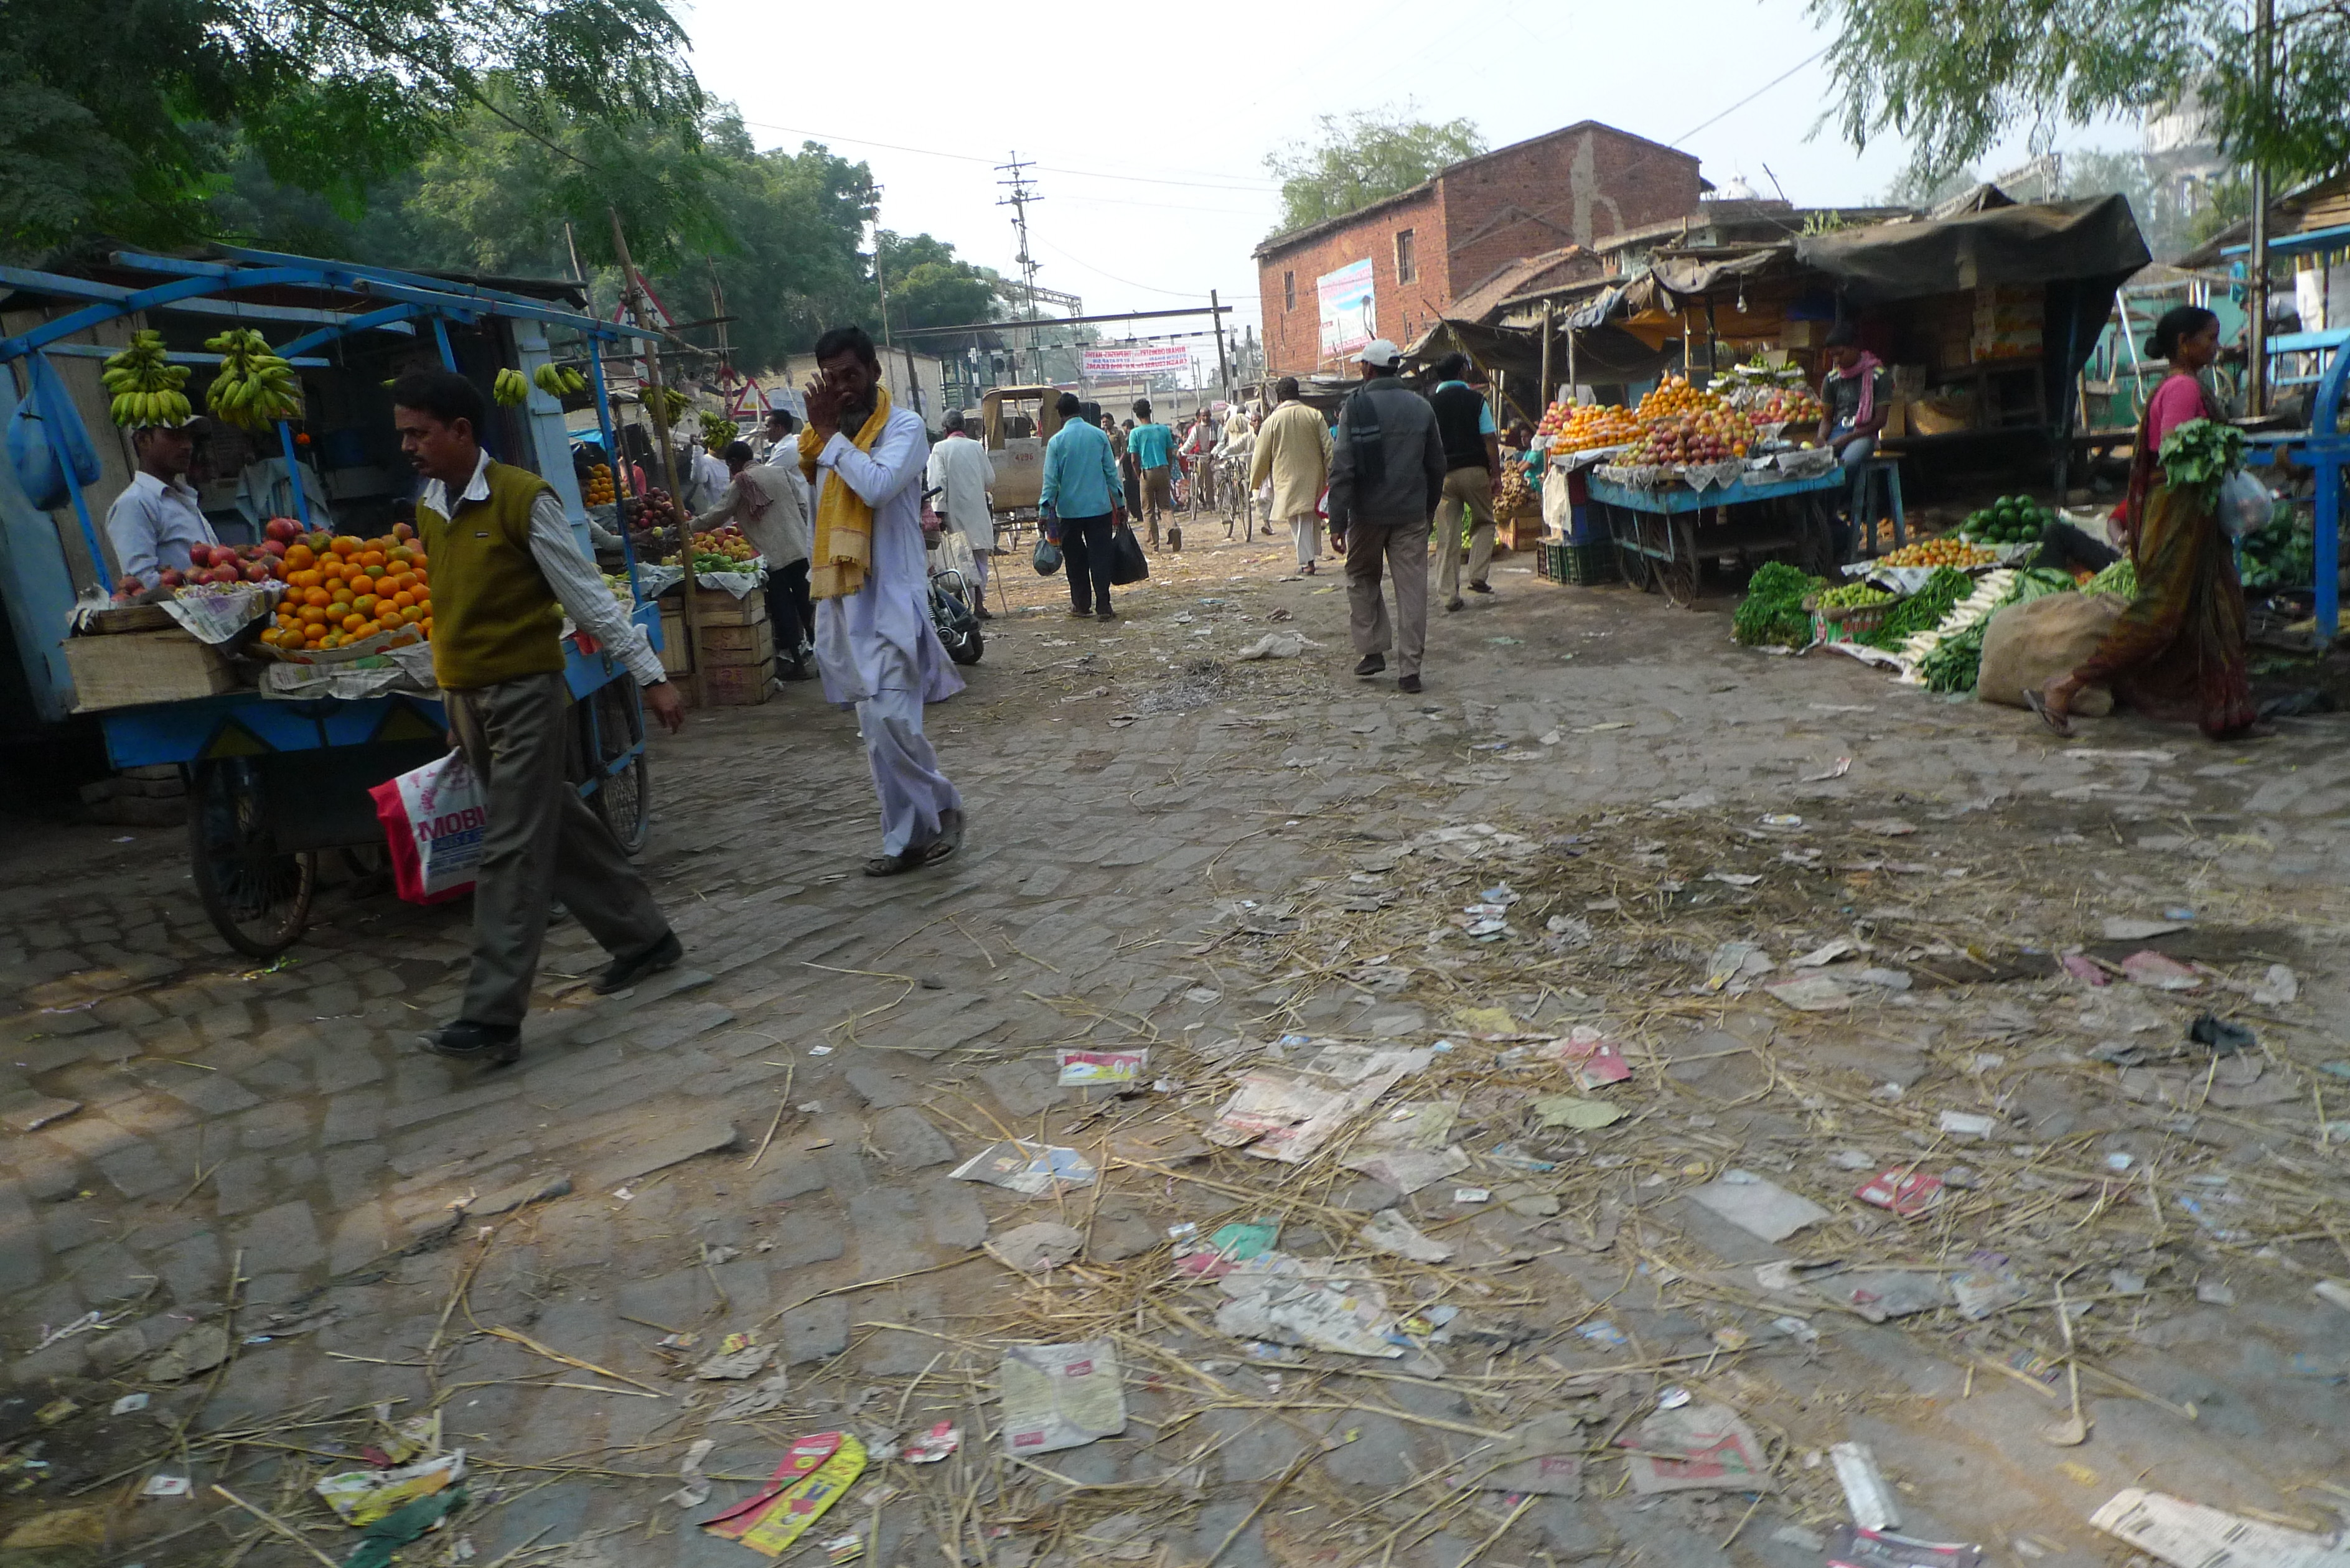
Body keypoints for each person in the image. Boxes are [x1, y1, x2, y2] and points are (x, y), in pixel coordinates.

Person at [391, 371, 686, 1066]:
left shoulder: (525, 500)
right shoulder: (429, 508)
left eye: (419, 433)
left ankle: (491, 1016)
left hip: (524, 695)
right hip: (469, 699)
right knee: (555, 820)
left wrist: (650, 676)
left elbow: (586, 596)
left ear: (461, 432)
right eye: (403, 434)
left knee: (512, 846)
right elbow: (449, 611)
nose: (408, 446)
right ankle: (644, 938)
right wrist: (451, 702)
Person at [2033, 306, 2257, 740]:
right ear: (2184, 343)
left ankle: (2228, 715)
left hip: (2193, 520)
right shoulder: (2183, 390)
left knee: (2219, 611)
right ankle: (2067, 686)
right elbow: (2177, 450)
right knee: (2158, 615)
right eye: (2210, 338)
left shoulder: (2182, 386)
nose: (2217, 347)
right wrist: (2220, 450)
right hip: (2177, 519)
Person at [797, 326, 967, 875]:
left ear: (874, 371)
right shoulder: (820, 445)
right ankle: (906, 839)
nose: (843, 388)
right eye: (832, 379)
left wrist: (829, 436)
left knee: (896, 724)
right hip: (845, 602)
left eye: (851, 375)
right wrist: (825, 438)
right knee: (876, 734)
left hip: (892, 599)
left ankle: (942, 807)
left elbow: (876, 486)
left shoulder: (905, 428)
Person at [1328, 339, 1445, 694]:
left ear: (1369, 368)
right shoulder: (1421, 407)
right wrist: (1428, 508)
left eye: (1361, 365)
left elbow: (1343, 467)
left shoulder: (1355, 407)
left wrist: (1337, 521)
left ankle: (1373, 648)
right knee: (1412, 590)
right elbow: (1437, 465)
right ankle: (1410, 670)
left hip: (1367, 514)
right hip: (1411, 513)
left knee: (1361, 575)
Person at [694, 440, 813, 680]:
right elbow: (803, 507)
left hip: (773, 557)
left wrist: (688, 527)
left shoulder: (741, 483)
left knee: (784, 611)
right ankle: (827, 661)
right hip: (800, 550)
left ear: (734, 463)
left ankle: (798, 664)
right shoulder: (780, 472)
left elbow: (718, 514)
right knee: (808, 607)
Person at [1039, 391, 1126, 620]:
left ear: (1061, 414)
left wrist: (1044, 511)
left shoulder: (1056, 442)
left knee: (1075, 560)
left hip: (1069, 512)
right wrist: (1120, 505)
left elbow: (1051, 482)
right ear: (1079, 410)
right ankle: (1104, 606)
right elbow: (1112, 474)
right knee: (1101, 557)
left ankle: (1081, 604)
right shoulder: (1099, 436)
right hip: (1099, 509)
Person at [1428, 353, 1501, 610]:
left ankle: (1449, 596)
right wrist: (1496, 474)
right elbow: (1489, 438)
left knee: (1447, 536)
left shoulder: (1430, 404)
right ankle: (1478, 575)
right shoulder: (1476, 400)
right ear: (1461, 372)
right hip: (1474, 471)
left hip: (1443, 476)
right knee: (1485, 521)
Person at [105, 419, 218, 584]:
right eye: (175, 435)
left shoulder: (182, 498)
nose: (188, 445)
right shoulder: (135, 503)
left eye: (189, 437)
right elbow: (141, 581)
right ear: (143, 440)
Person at [1814, 322, 1891, 558]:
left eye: (1840, 354)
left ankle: (1829, 518)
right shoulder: (1831, 380)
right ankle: (1833, 526)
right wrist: (1821, 439)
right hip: (1837, 434)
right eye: (1833, 356)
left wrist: (1848, 438)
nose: (1836, 360)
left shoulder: (1878, 376)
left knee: (1844, 467)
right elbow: (1827, 419)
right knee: (1815, 469)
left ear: (1855, 348)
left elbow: (1880, 421)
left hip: (1864, 434)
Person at [1252, 377, 1332, 574]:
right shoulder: (1314, 415)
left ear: (1279, 398)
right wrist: (1332, 471)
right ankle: (1309, 557)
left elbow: (1260, 456)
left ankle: (1307, 562)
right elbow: (1329, 447)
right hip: (1314, 476)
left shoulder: (1271, 422)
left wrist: (1255, 480)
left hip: (1285, 478)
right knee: (1309, 517)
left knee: (1298, 519)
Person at [925, 410, 997, 618]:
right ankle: (979, 605)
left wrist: (939, 512)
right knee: (979, 560)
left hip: (953, 513)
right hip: (977, 512)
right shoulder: (976, 447)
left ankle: (959, 604)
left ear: (945, 429)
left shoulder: (940, 449)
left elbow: (938, 482)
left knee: (956, 559)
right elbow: (990, 480)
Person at [1126, 399, 1176, 548]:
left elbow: (1134, 459)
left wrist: (1139, 474)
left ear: (1137, 415)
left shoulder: (1135, 433)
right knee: (1165, 506)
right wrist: (1168, 470)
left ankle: (1153, 544)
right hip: (1163, 469)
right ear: (1150, 412)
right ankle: (1172, 527)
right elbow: (1170, 453)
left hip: (1146, 472)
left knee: (1148, 510)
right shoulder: (1164, 430)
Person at [1217, 406, 1257, 537]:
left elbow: (1224, 438)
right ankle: (1243, 497)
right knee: (1245, 476)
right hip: (1244, 453)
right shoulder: (1247, 421)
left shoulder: (1230, 422)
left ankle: (1236, 497)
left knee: (1234, 476)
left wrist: (1221, 452)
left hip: (1232, 452)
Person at [1181, 409, 1219, 513]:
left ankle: (1209, 502)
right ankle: (1197, 501)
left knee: (1208, 481)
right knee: (1199, 481)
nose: (1205, 418)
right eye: (1203, 416)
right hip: (1197, 457)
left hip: (1208, 456)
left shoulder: (1213, 428)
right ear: (1199, 417)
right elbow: (1190, 443)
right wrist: (1183, 451)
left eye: (1207, 416)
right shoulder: (1195, 429)